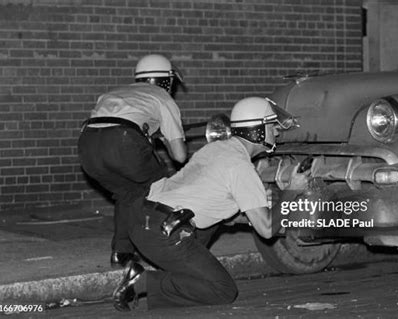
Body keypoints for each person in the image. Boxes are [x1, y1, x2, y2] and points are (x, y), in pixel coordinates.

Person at [111, 96, 308, 311]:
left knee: (213, 223)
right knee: (223, 290)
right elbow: (267, 230)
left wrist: (254, 210)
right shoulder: (241, 168)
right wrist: (292, 190)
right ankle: (142, 281)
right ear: (257, 130)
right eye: (272, 126)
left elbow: (213, 202)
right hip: (163, 233)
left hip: (142, 220)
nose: (277, 132)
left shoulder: (215, 149)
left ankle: (187, 272)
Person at [78, 54, 187, 268]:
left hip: (87, 145)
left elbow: (114, 125)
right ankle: (161, 245)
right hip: (124, 141)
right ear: (166, 80)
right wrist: (170, 138)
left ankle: (122, 252)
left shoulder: (113, 93)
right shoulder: (162, 97)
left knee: (127, 193)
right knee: (160, 183)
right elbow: (180, 155)